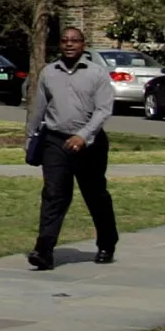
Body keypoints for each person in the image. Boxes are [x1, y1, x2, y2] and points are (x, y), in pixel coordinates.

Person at [26, 27, 117, 270]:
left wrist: (83, 135)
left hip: (91, 143)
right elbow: (38, 109)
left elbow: (103, 110)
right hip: (56, 141)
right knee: (54, 194)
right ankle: (44, 250)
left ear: (83, 44)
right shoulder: (48, 72)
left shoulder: (97, 73)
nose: (69, 44)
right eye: (65, 40)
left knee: (95, 194)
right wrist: (30, 139)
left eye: (74, 41)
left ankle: (107, 243)